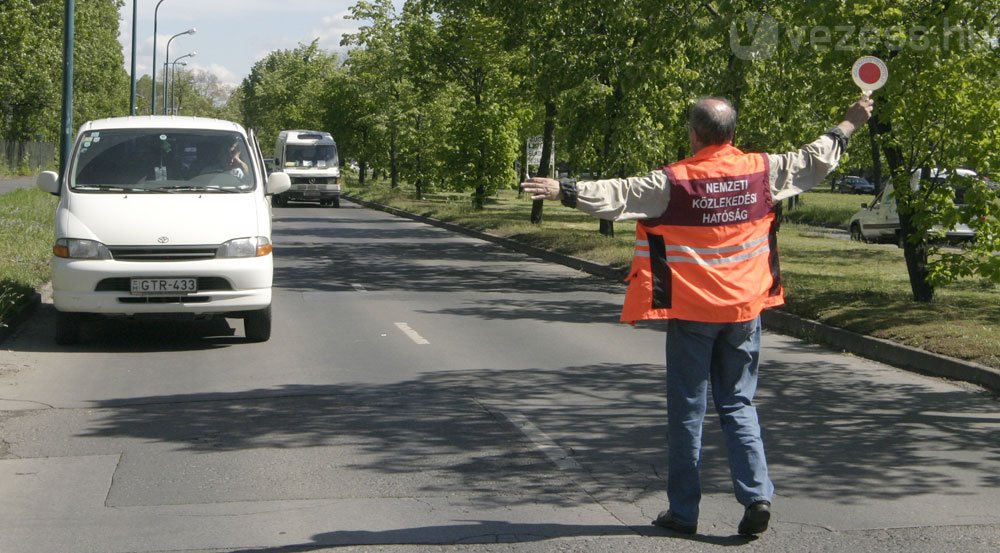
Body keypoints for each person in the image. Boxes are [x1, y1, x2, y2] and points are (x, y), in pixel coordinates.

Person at [521, 95, 873, 536]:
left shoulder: (675, 181)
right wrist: (850, 123)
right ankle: (757, 495)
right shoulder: (763, 170)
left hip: (692, 315)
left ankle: (684, 513)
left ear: (693, 134)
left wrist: (564, 189)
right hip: (745, 311)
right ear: (732, 134)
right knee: (738, 403)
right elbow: (814, 159)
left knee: (688, 412)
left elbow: (617, 194)